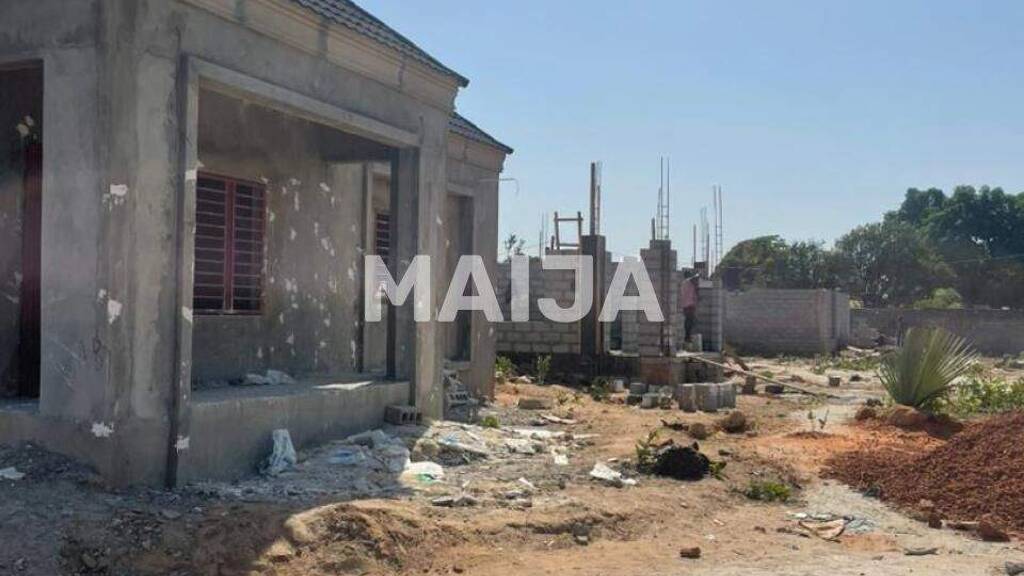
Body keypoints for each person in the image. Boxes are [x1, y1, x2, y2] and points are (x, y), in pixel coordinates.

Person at [681, 275, 699, 343]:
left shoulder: (684, 283)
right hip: (690, 305)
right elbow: (693, 296)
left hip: (685, 305)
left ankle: (687, 336)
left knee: (688, 320)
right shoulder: (691, 284)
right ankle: (687, 337)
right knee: (690, 321)